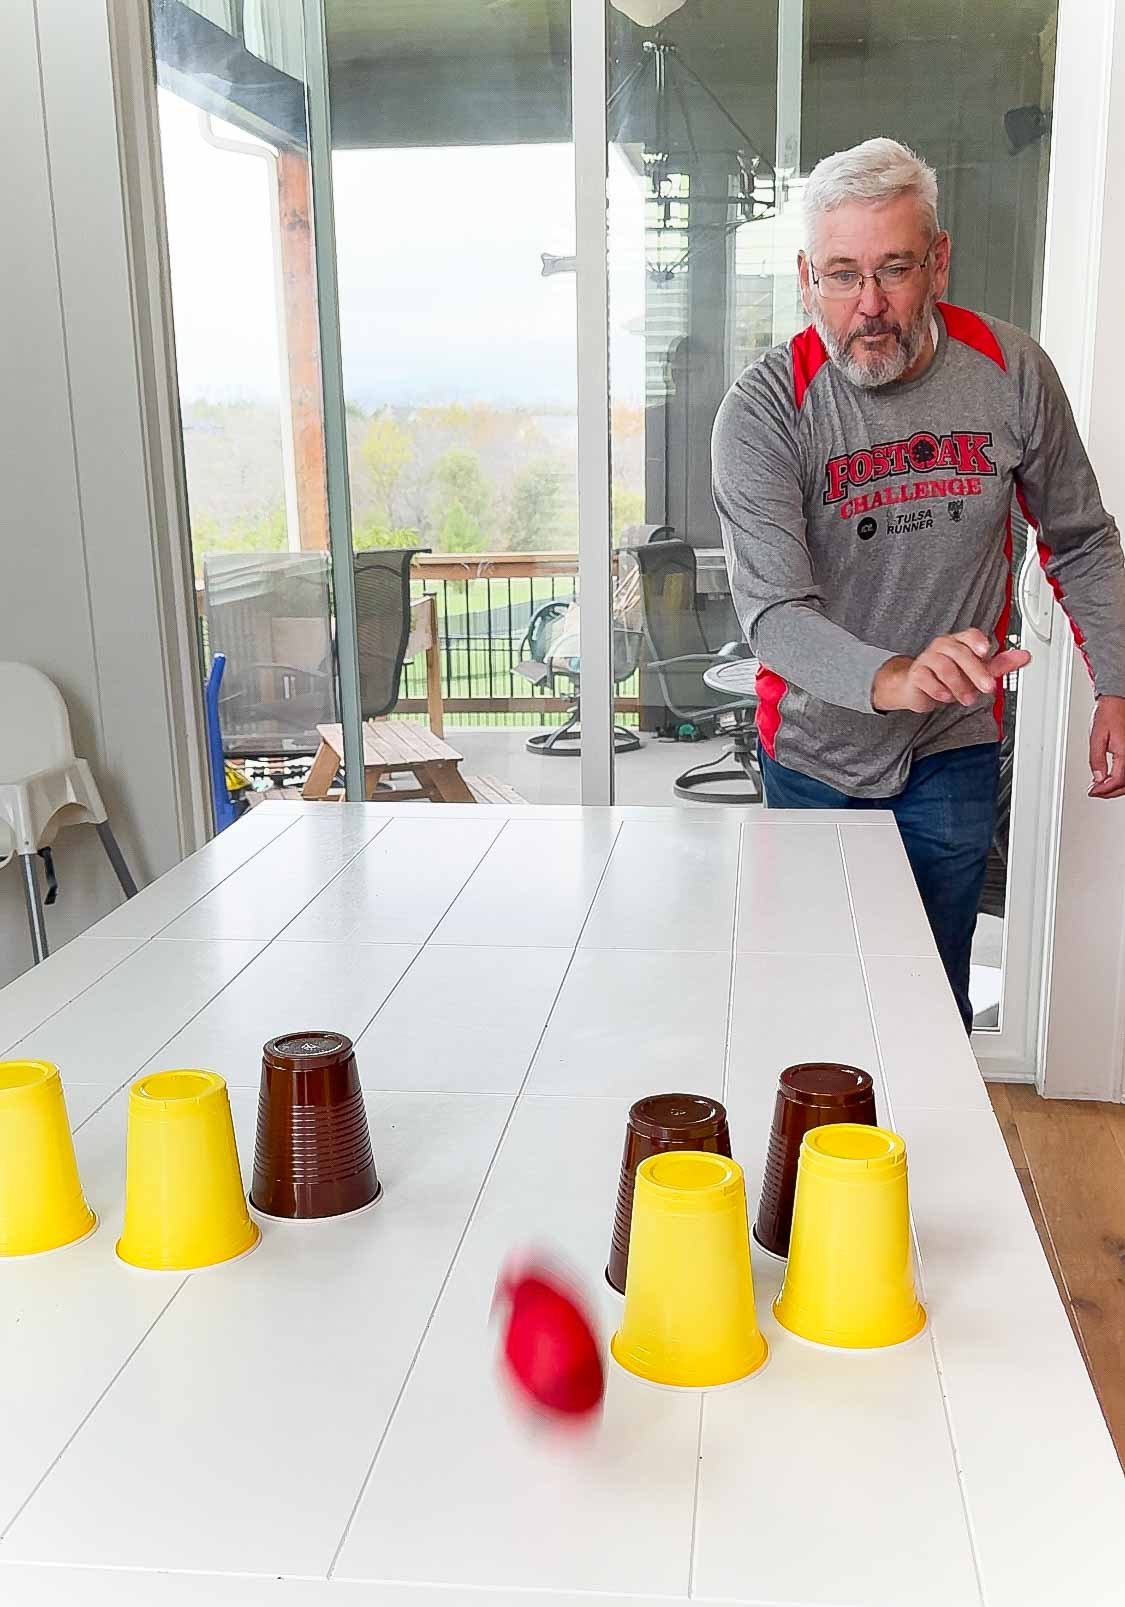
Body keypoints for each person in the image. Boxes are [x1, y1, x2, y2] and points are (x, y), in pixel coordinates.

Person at [712, 137, 1125, 1032]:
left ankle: (917, 1168)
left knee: (926, 1010)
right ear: (803, 276)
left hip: (952, 748)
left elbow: (1081, 540)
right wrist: (892, 674)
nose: (867, 306)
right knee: (815, 1010)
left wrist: (1117, 684)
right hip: (815, 755)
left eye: (893, 269)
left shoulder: (1008, 371)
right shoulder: (765, 408)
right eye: (840, 275)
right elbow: (774, 616)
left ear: (936, 260)